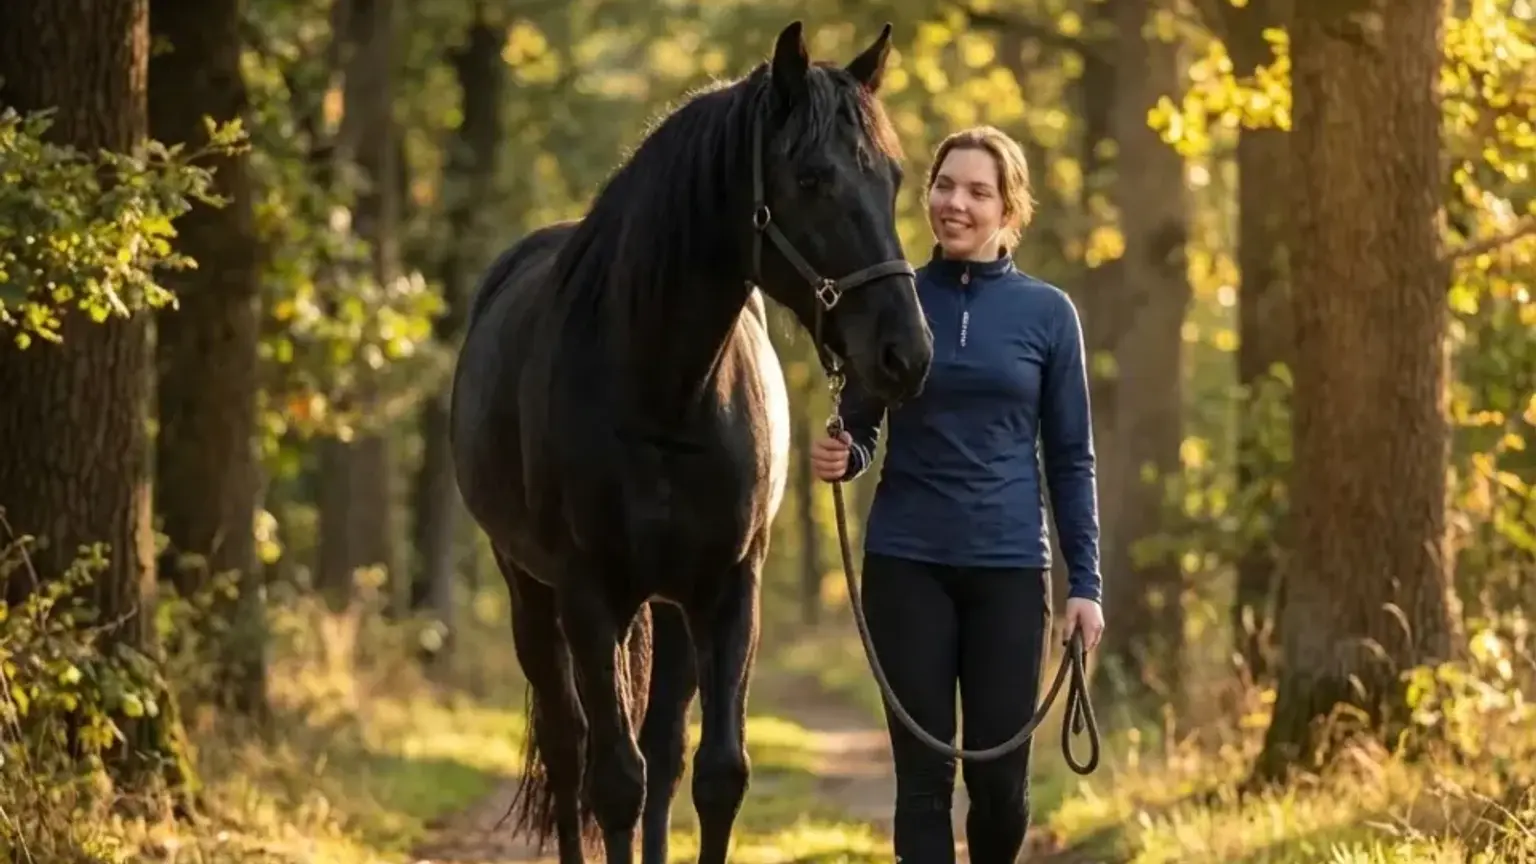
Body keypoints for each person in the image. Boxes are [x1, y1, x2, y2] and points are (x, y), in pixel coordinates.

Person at [811, 125, 1105, 863]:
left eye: (978, 191)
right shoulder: (894, 301)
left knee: (1001, 786)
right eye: (945, 186)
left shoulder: (1048, 315)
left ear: (1010, 209)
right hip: (907, 562)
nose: (956, 204)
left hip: (1009, 569)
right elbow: (863, 426)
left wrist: (1086, 585)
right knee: (922, 783)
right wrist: (844, 455)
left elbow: (1070, 458)